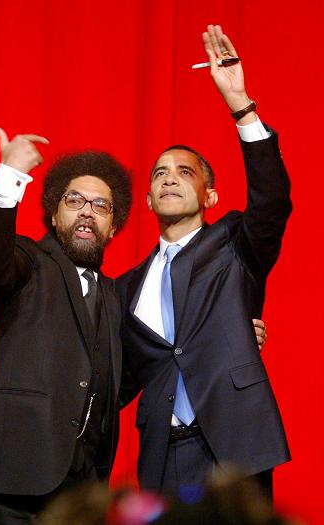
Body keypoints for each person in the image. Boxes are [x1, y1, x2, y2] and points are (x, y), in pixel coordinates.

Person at [115, 25, 292, 503]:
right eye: (160, 174)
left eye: (184, 172)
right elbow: (119, 375)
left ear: (210, 195)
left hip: (235, 446)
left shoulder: (235, 243)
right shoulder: (125, 287)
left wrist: (240, 105)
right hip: (162, 454)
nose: (169, 179)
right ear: (148, 199)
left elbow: (273, 200)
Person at [0, 130, 132, 524]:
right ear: (53, 214)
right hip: (6, 486)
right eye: (74, 200)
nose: (87, 211)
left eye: (101, 205)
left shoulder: (114, 297)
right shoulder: (29, 262)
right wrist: (10, 176)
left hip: (79, 496)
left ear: (114, 226)